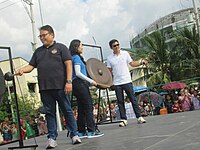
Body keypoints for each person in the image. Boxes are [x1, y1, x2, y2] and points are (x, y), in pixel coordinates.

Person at [15, 25, 81, 148]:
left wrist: (69, 82)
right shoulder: (38, 51)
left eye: (44, 35)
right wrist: (22, 70)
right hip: (45, 88)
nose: (42, 38)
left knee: (67, 110)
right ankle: (52, 138)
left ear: (52, 35)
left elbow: (68, 65)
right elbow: (31, 66)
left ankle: (74, 135)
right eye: (40, 36)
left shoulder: (61, 48)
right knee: (49, 113)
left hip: (61, 86)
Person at [107, 39, 147, 127]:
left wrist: (141, 62)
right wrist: (109, 83)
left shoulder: (125, 53)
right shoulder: (109, 58)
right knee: (120, 102)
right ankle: (123, 119)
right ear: (111, 48)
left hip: (127, 80)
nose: (117, 47)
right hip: (117, 82)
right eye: (114, 45)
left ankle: (139, 117)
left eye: (118, 44)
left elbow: (132, 63)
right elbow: (109, 71)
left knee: (133, 99)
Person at [69, 39, 104, 138]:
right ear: (76, 47)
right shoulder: (76, 58)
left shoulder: (73, 57)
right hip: (80, 84)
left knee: (81, 108)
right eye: (81, 45)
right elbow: (78, 73)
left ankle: (81, 131)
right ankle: (91, 131)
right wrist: (91, 81)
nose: (82, 47)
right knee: (89, 107)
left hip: (76, 85)